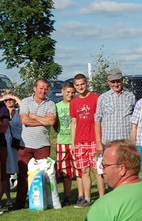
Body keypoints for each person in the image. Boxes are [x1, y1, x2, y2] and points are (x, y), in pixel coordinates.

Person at [16, 79, 57, 210]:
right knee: (23, 175)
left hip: (43, 144)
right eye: (41, 88)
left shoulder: (50, 104)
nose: (43, 91)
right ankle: (20, 203)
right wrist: (42, 120)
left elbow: (51, 121)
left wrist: (34, 117)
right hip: (26, 144)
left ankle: (44, 201)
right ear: (34, 88)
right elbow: (24, 120)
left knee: (44, 175)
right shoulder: (26, 102)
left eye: (46, 88)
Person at [70, 73, 103, 206]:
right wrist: (73, 143)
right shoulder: (74, 102)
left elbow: (100, 120)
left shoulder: (96, 98)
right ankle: (87, 198)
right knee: (84, 170)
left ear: (87, 83)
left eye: (82, 84)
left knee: (97, 170)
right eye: (77, 85)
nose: (80, 87)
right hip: (80, 141)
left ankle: (102, 198)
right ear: (74, 86)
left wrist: (100, 139)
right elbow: (74, 123)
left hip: (94, 140)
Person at [95, 70, 136, 156]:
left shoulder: (130, 96)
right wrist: (98, 142)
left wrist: (134, 140)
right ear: (108, 82)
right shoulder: (103, 98)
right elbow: (97, 120)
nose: (116, 84)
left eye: (118, 81)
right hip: (109, 142)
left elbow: (135, 120)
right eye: (113, 82)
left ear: (122, 80)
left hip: (126, 142)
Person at [54, 82, 76, 205]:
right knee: (64, 171)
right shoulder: (57, 106)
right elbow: (55, 123)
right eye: (68, 92)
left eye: (72, 92)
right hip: (62, 141)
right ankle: (66, 196)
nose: (70, 94)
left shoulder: (76, 104)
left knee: (77, 170)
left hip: (75, 142)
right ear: (62, 92)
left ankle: (81, 195)